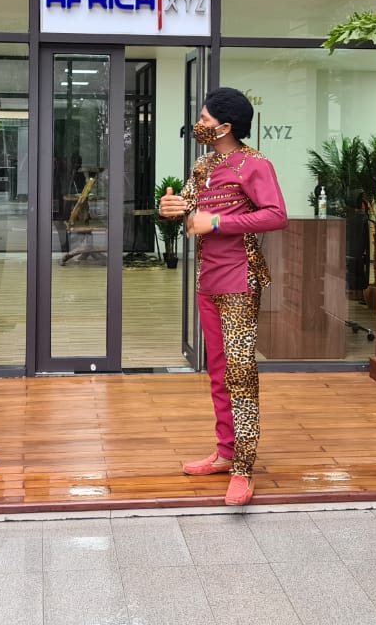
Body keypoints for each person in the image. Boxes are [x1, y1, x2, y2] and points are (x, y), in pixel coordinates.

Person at [158, 87, 288, 506]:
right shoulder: (204, 165)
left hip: (239, 281)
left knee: (240, 374)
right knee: (217, 371)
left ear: (225, 126)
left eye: (204, 119)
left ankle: (244, 468)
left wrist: (216, 223)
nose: (199, 124)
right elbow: (190, 209)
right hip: (208, 281)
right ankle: (225, 452)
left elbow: (276, 215)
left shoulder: (255, 164)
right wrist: (172, 208)